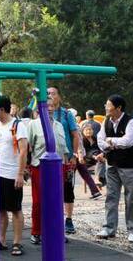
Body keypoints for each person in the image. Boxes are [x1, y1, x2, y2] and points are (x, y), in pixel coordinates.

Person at [95, 94, 133, 242]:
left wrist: (110, 141)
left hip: (130, 166)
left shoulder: (131, 122)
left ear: (118, 108)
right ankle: (109, 228)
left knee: (131, 198)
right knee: (111, 197)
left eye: (108, 105)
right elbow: (100, 140)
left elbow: (128, 142)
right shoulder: (106, 121)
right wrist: (113, 143)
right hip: (112, 164)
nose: (106, 107)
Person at [27, 106, 69, 245]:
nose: (49, 108)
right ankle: (36, 231)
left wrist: (68, 163)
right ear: (39, 108)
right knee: (39, 201)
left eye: (51, 106)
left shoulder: (59, 125)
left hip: (59, 166)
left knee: (57, 201)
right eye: (46, 105)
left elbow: (63, 147)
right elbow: (29, 147)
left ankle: (56, 231)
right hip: (40, 166)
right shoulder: (33, 124)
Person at [0, 95, 28, 256]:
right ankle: (1, 239)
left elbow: (23, 151)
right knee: (0, 209)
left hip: (12, 173)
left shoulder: (17, 125)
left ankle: (17, 242)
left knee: (15, 209)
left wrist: (20, 174)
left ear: (1, 109)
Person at [47, 87, 83, 234]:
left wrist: (74, 155)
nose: (50, 96)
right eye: (47, 93)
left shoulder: (66, 114)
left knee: (68, 189)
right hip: (48, 159)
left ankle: (68, 219)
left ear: (59, 97)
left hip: (65, 158)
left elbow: (75, 135)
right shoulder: (41, 113)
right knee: (50, 189)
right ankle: (53, 218)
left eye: (53, 93)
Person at [82, 109, 105, 186]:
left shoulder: (95, 138)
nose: (89, 131)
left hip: (97, 157)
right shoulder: (83, 140)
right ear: (83, 131)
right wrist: (94, 156)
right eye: (87, 130)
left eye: (90, 130)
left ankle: (99, 181)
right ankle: (97, 179)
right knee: (102, 161)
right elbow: (86, 152)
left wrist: (101, 154)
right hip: (88, 159)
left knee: (106, 163)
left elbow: (99, 148)